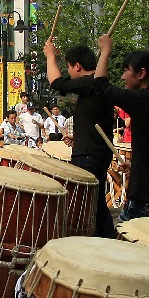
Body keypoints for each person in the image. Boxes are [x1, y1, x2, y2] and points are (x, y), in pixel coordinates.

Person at [89, 40, 149, 220]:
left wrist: (105, 51)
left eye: (126, 71)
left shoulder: (143, 100)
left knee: (126, 246)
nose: (123, 77)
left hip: (146, 197)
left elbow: (100, 88)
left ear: (141, 73)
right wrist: (138, 166)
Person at [46, 38, 116, 237]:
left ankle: (102, 240)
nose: (68, 71)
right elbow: (94, 122)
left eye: (68, 66)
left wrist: (50, 55)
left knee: (87, 204)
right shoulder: (93, 88)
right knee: (95, 203)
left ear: (77, 66)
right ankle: (105, 239)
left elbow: (56, 83)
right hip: (92, 152)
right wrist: (78, 137)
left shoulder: (92, 83)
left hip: (89, 157)